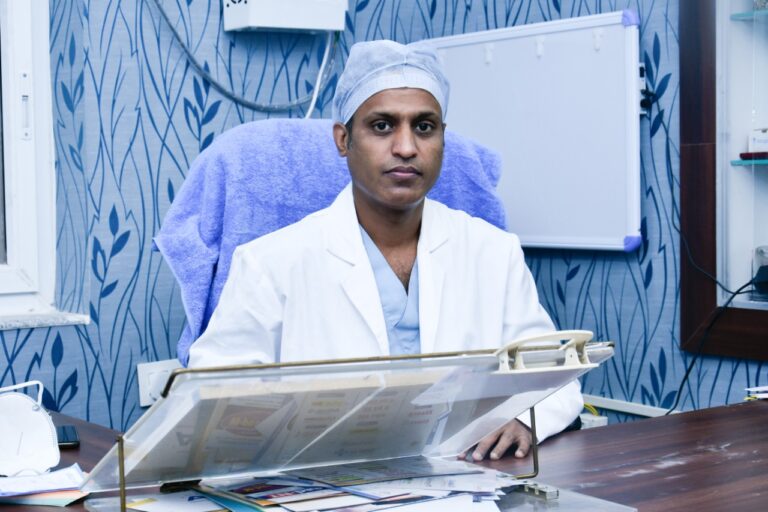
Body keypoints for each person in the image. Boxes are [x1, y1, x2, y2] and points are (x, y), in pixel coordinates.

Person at [188, 39, 583, 461]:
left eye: (424, 127)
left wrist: (526, 419)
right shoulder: (271, 263)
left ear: (443, 138)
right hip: (322, 477)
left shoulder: (492, 252)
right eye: (382, 126)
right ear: (343, 140)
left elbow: (554, 376)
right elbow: (210, 398)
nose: (406, 147)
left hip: (468, 476)